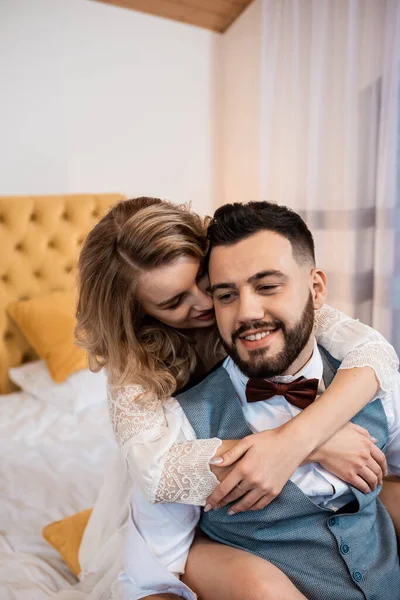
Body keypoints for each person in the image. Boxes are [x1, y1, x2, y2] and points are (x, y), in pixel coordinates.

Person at [58, 198, 398, 600]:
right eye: (174, 301)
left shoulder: (309, 332)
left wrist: (300, 437)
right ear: (140, 315)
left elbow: (373, 352)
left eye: (206, 285)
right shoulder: (145, 379)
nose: (204, 304)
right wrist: (311, 446)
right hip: (211, 510)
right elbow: (157, 472)